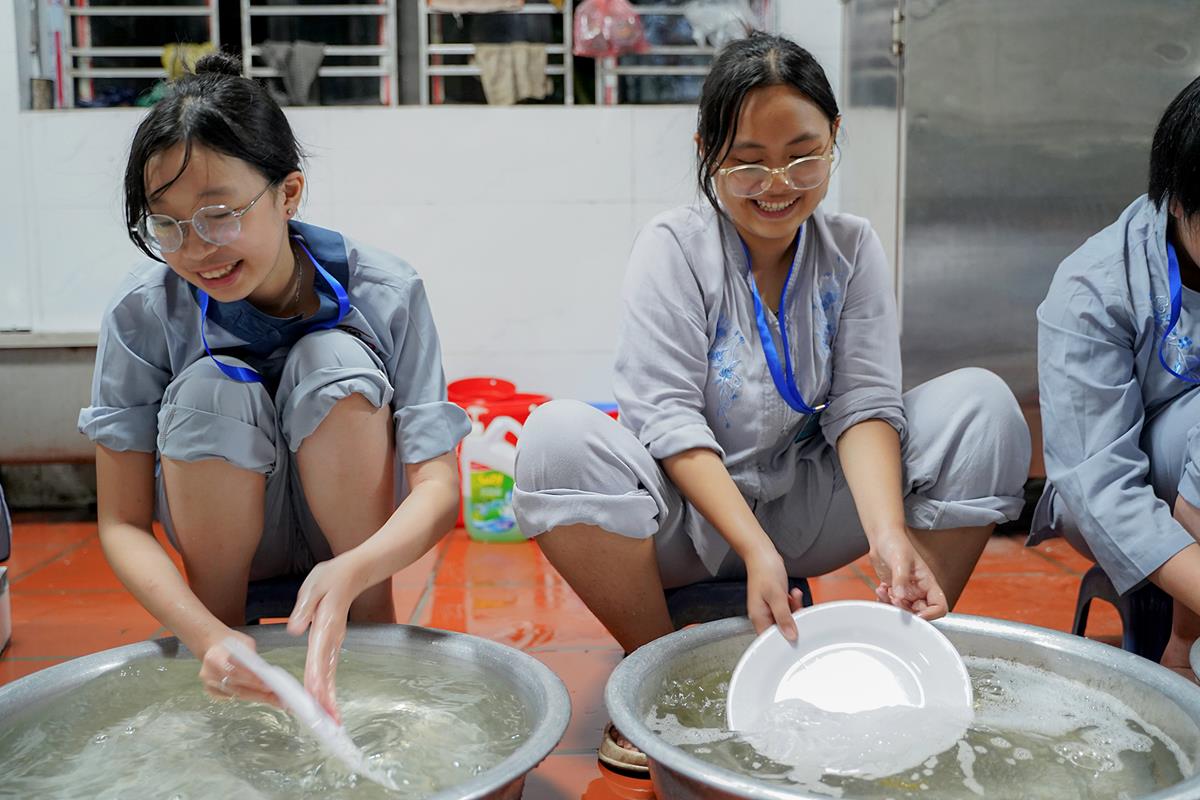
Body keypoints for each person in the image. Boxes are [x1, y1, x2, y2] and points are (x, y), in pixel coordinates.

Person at [512, 32, 1031, 771]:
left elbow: (864, 404)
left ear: (834, 137)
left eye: (803, 155)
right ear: (706, 151)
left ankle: (894, 661)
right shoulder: (673, 248)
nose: (777, 183)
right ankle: (657, 678)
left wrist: (888, 535)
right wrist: (755, 549)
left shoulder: (852, 248)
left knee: (983, 409)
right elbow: (667, 418)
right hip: (685, 519)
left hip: (804, 506)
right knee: (554, 439)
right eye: (747, 160)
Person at [78, 52, 468, 718]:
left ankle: (369, 632)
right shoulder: (143, 311)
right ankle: (228, 649)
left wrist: (357, 570)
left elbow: (437, 488)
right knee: (210, 391)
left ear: (288, 194)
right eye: (167, 224)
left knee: (333, 364)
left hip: (357, 555)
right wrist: (203, 634)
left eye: (219, 214)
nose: (197, 248)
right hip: (220, 572)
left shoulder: (388, 291)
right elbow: (120, 522)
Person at [1032, 74, 1200, 682]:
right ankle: (1181, 649)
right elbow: (1100, 484)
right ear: (1177, 200)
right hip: (1118, 490)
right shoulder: (1095, 286)